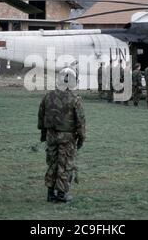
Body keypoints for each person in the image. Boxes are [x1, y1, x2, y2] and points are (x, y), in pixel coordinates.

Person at [38, 68, 86, 203]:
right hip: (67, 138)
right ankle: (61, 194)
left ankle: (50, 194)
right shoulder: (75, 99)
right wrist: (81, 138)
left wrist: (43, 134)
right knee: (64, 165)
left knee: (52, 163)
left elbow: (41, 116)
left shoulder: (48, 96)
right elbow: (80, 121)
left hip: (51, 136)